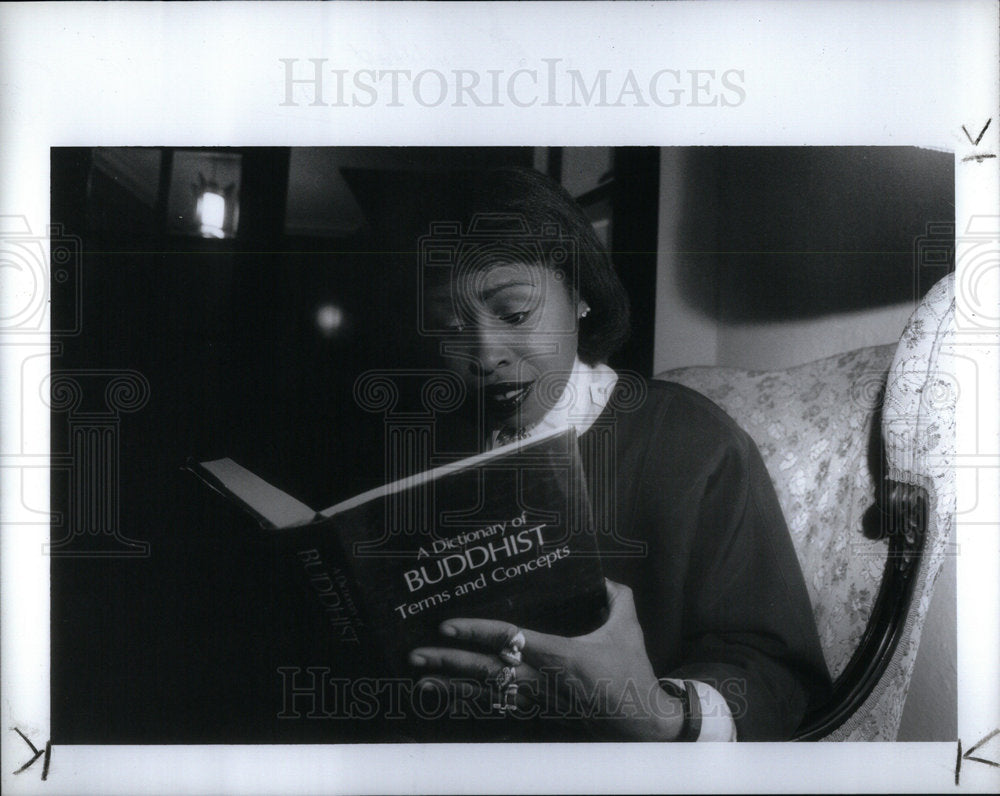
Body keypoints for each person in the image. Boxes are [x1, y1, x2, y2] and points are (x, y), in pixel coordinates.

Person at [402, 166, 831, 742]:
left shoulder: (692, 441)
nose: (486, 354)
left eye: (514, 313)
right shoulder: (428, 450)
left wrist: (659, 716)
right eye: (449, 326)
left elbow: (778, 675)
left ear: (579, 293)